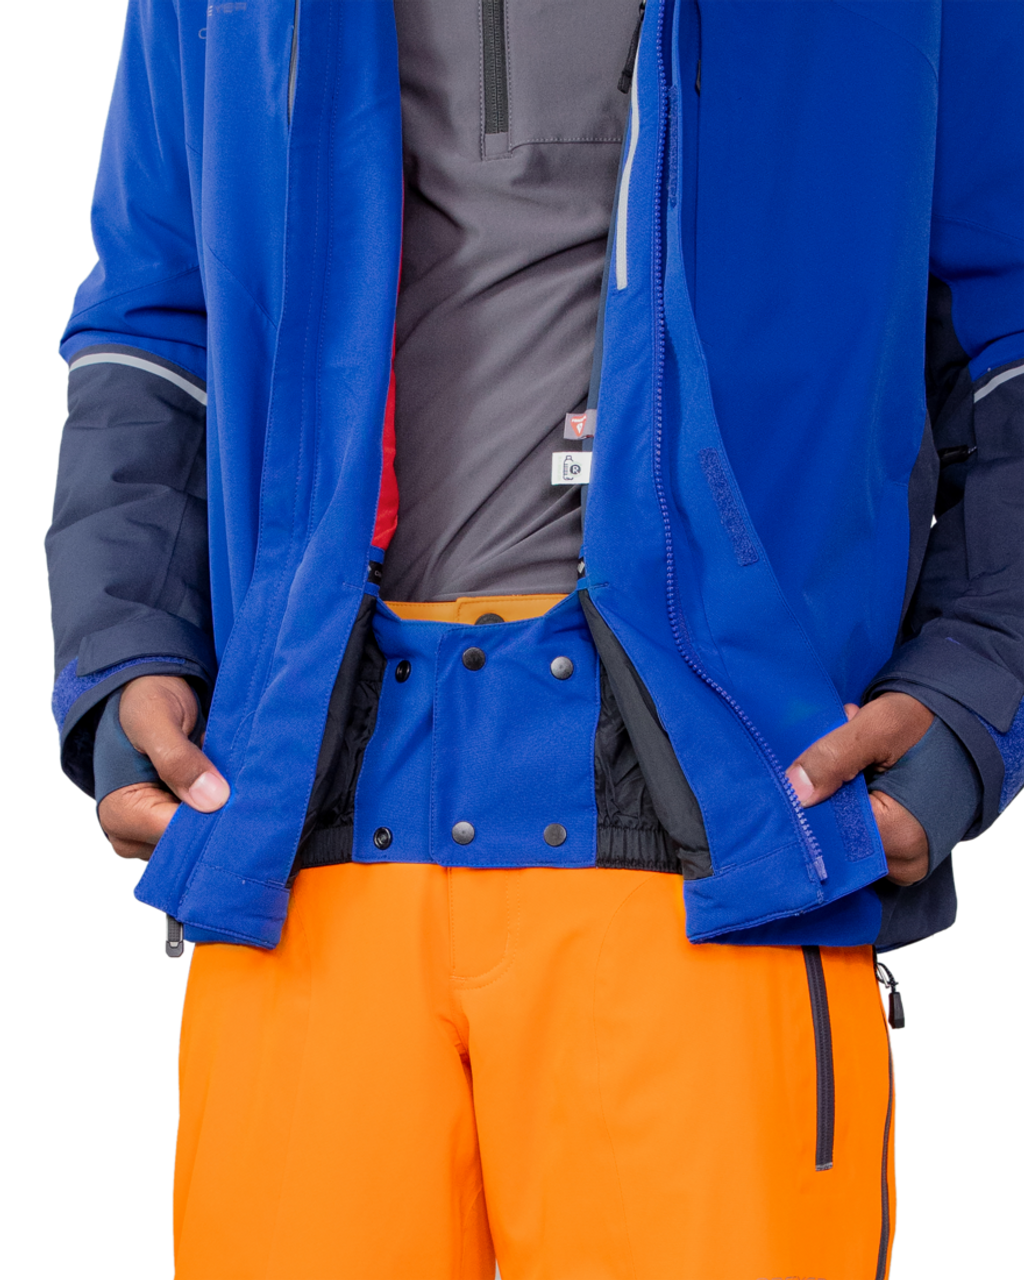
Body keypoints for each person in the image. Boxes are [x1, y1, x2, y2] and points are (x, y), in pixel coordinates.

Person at [46, 1, 1022, 1276]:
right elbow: (151, 324)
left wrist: (969, 691)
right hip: (302, 828)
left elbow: (1008, 330)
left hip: (728, 833)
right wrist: (126, 648)